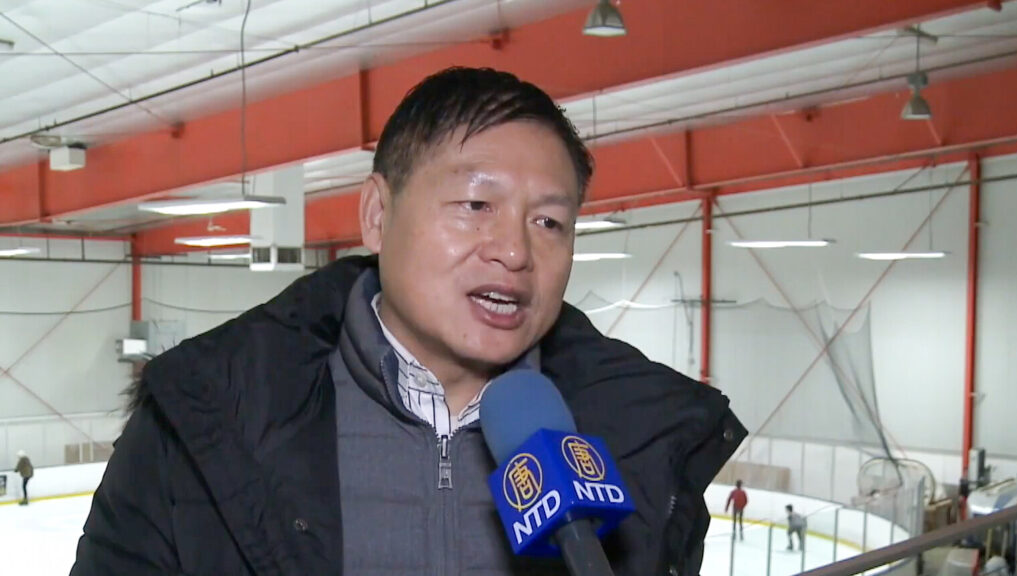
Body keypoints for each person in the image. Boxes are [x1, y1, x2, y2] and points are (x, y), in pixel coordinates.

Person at [71, 67, 746, 576]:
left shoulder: (644, 443)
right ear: (377, 215)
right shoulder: (202, 416)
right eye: (476, 206)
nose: (515, 252)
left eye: (549, 222)